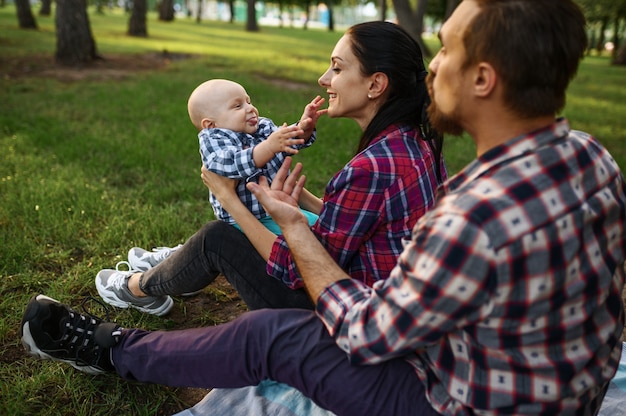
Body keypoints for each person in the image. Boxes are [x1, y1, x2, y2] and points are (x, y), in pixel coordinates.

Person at [21, 2, 625, 414]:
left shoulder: (472, 213)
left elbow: (366, 333)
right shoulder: (588, 157)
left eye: (445, 51)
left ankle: (107, 347)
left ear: (484, 78)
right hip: (554, 391)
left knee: (270, 336)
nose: (433, 66)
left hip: (460, 399)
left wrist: (282, 221)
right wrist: (303, 215)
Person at [95, 20, 446, 316]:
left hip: (346, 312)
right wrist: (296, 203)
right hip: (387, 295)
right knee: (237, 232)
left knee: (217, 238)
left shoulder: (371, 168)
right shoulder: (417, 142)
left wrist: (227, 199)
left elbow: (297, 270)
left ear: (376, 84)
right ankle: (170, 264)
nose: (324, 79)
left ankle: (137, 289)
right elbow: (358, 228)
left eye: (337, 68)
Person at [188, 78, 324, 234]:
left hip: (278, 207)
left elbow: (284, 141)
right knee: (313, 230)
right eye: (238, 106)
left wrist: (303, 128)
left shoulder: (261, 126)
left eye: (249, 101)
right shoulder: (214, 138)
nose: (250, 108)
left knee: (319, 223)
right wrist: (268, 147)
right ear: (211, 125)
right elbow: (231, 163)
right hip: (248, 220)